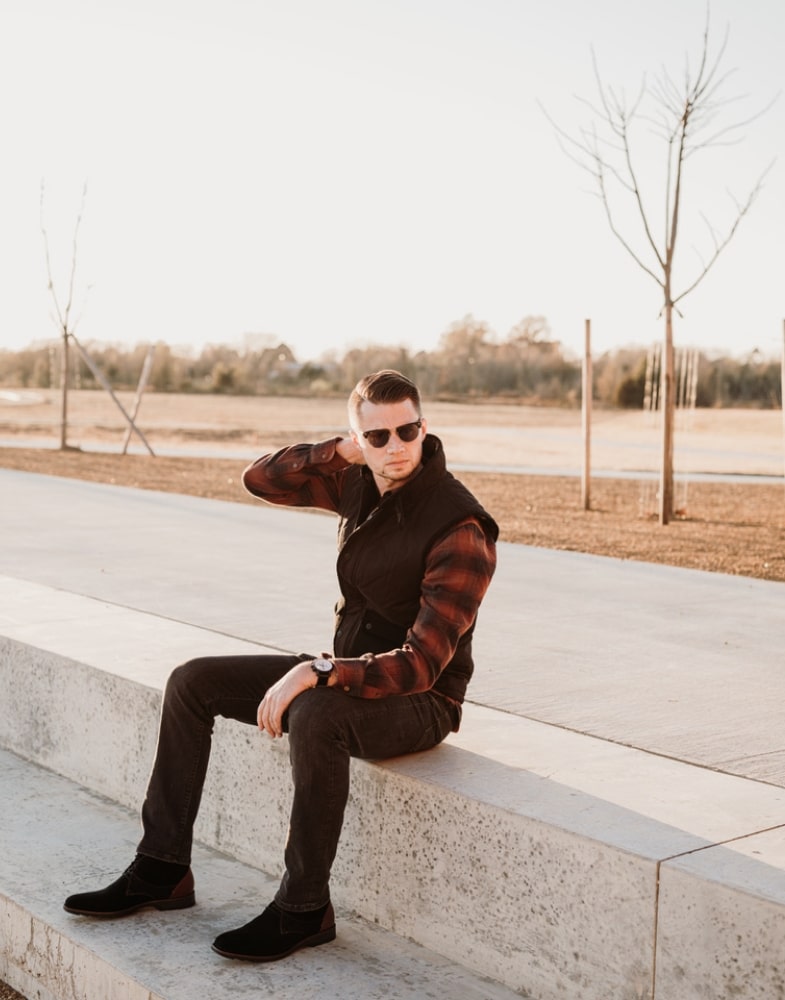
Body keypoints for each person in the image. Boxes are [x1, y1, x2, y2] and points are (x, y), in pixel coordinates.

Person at [64, 369, 498, 962]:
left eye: (408, 430)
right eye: (376, 436)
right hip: (346, 672)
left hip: (422, 703)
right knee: (192, 682)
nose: (395, 446)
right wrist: (337, 450)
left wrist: (318, 672)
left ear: (426, 428)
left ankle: (304, 909)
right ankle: (162, 869)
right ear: (357, 440)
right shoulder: (360, 484)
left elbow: (421, 666)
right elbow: (259, 479)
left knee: (318, 713)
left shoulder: (460, 527)